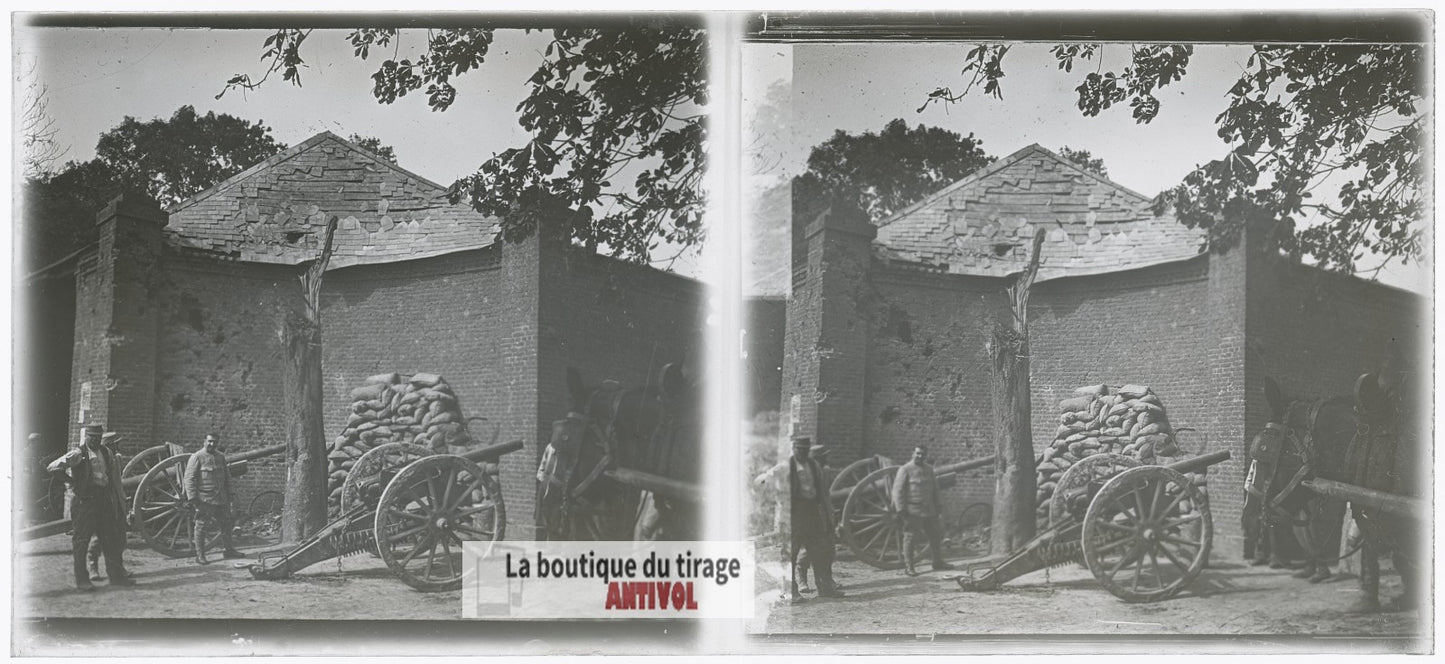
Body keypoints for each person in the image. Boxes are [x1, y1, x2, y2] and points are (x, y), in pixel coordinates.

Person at [47, 424, 135, 591]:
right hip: (84, 503)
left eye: (97, 437)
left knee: (111, 540)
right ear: (86, 436)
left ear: (101, 437)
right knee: (81, 542)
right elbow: (52, 467)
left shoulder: (107, 452)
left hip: (103, 501)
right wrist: (72, 481)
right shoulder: (78, 453)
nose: (94, 440)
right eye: (91, 436)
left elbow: (112, 477)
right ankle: (82, 581)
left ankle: (116, 577)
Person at [789, 436, 843, 601]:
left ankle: (825, 588)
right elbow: (766, 483)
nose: (803, 453)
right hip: (794, 515)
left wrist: (829, 515)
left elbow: (824, 494)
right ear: (794, 449)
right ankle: (792, 592)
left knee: (820, 553)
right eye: (799, 449)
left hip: (812, 513)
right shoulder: (786, 467)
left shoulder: (814, 466)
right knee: (791, 554)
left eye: (806, 450)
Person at [891, 445, 955, 576]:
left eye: (923, 454)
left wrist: (938, 505)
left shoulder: (929, 469)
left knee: (935, 536)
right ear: (913, 453)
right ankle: (909, 567)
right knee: (910, 538)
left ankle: (937, 562)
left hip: (929, 510)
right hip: (912, 510)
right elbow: (898, 491)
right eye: (918, 453)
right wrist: (901, 509)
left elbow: (935, 489)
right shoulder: (905, 469)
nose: (920, 456)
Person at [183, 433, 244, 564]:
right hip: (205, 499)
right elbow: (189, 479)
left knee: (227, 524)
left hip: (221, 499)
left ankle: (229, 550)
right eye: (209, 441)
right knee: (201, 526)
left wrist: (231, 494)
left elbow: (228, 478)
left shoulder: (221, 457)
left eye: (215, 442)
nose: (212, 444)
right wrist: (193, 498)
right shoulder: (197, 457)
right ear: (204, 441)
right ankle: (200, 555)